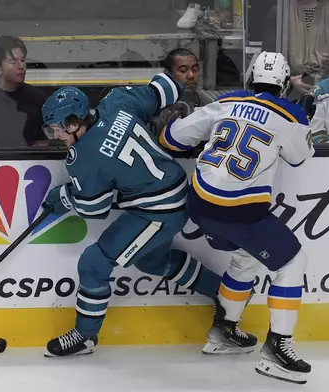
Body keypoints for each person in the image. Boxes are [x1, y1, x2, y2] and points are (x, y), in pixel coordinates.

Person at [39, 72, 257, 358]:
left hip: (157, 210)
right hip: (175, 194)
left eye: (57, 129)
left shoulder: (84, 159)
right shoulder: (117, 101)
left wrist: (65, 197)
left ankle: (84, 336)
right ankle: (224, 293)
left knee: (94, 263)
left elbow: (96, 207)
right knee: (152, 260)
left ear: (74, 122)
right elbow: (166, 87)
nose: (54, 136)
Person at [157, 51, 314, 384]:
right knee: (291, 262)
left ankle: (223, 333)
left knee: (246, 256)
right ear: (284, 84)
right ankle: (277, 349)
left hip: (199, 204)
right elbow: (299, 158)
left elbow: (172, 137)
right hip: (240, 212)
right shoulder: (291, 114)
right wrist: (305, 121)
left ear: (249, 79)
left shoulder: (226, 102)